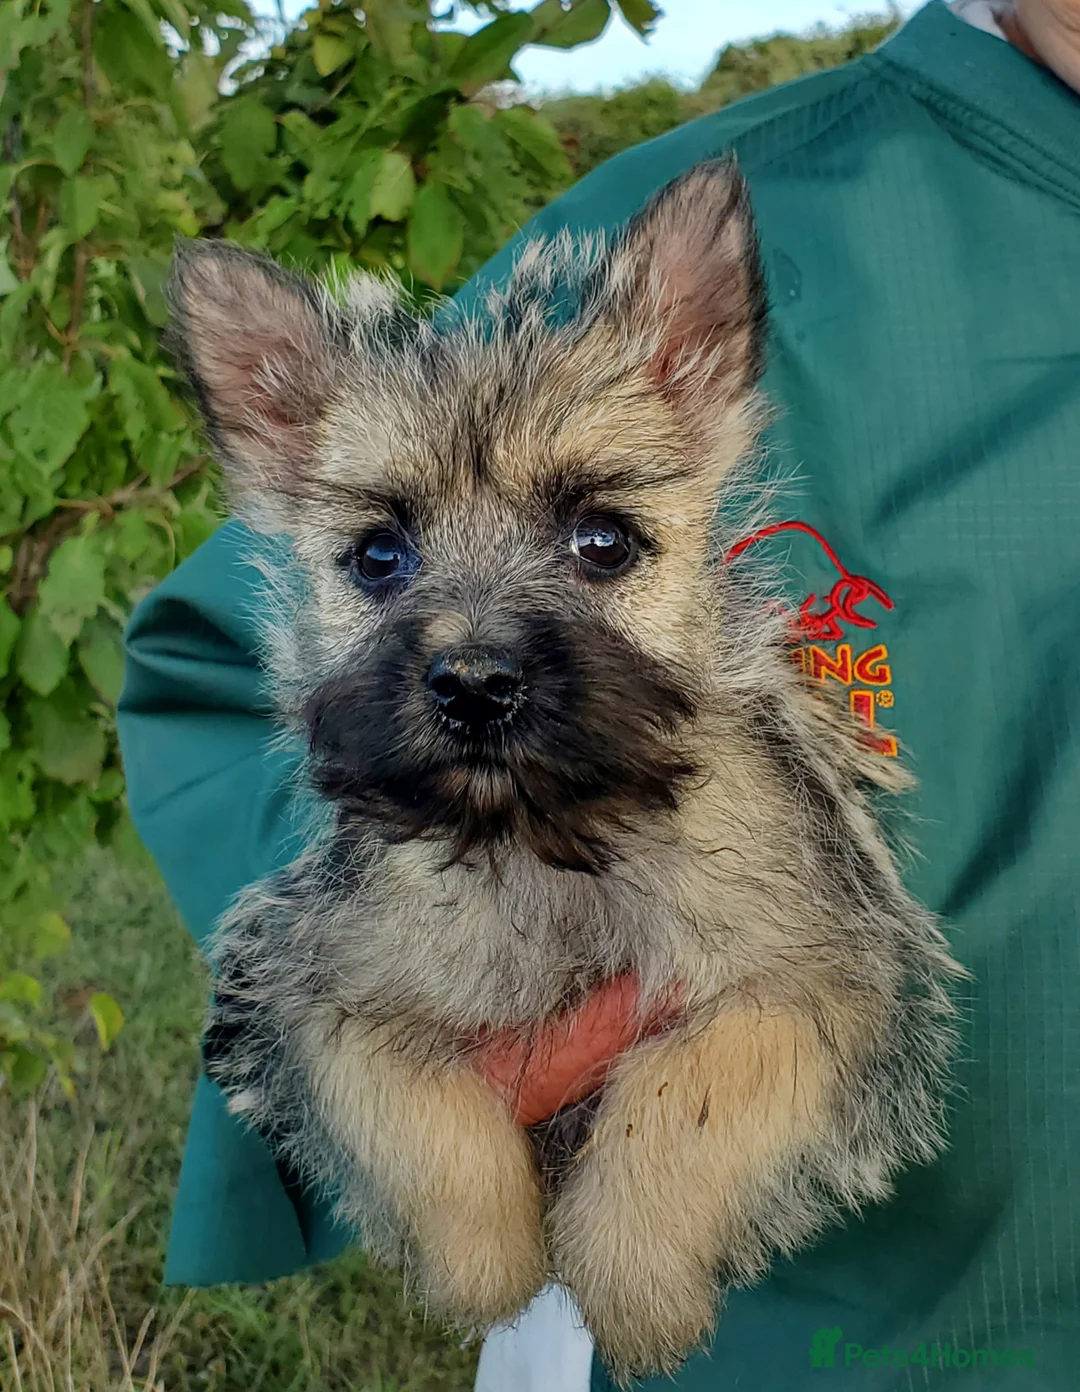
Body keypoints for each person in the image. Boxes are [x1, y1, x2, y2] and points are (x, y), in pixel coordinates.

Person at [116, 1, 1080, 1387]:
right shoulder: (730, 214)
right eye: (381, 558)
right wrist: (449, 982)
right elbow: (219, 688)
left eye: (599, 546)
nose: (472, 645)